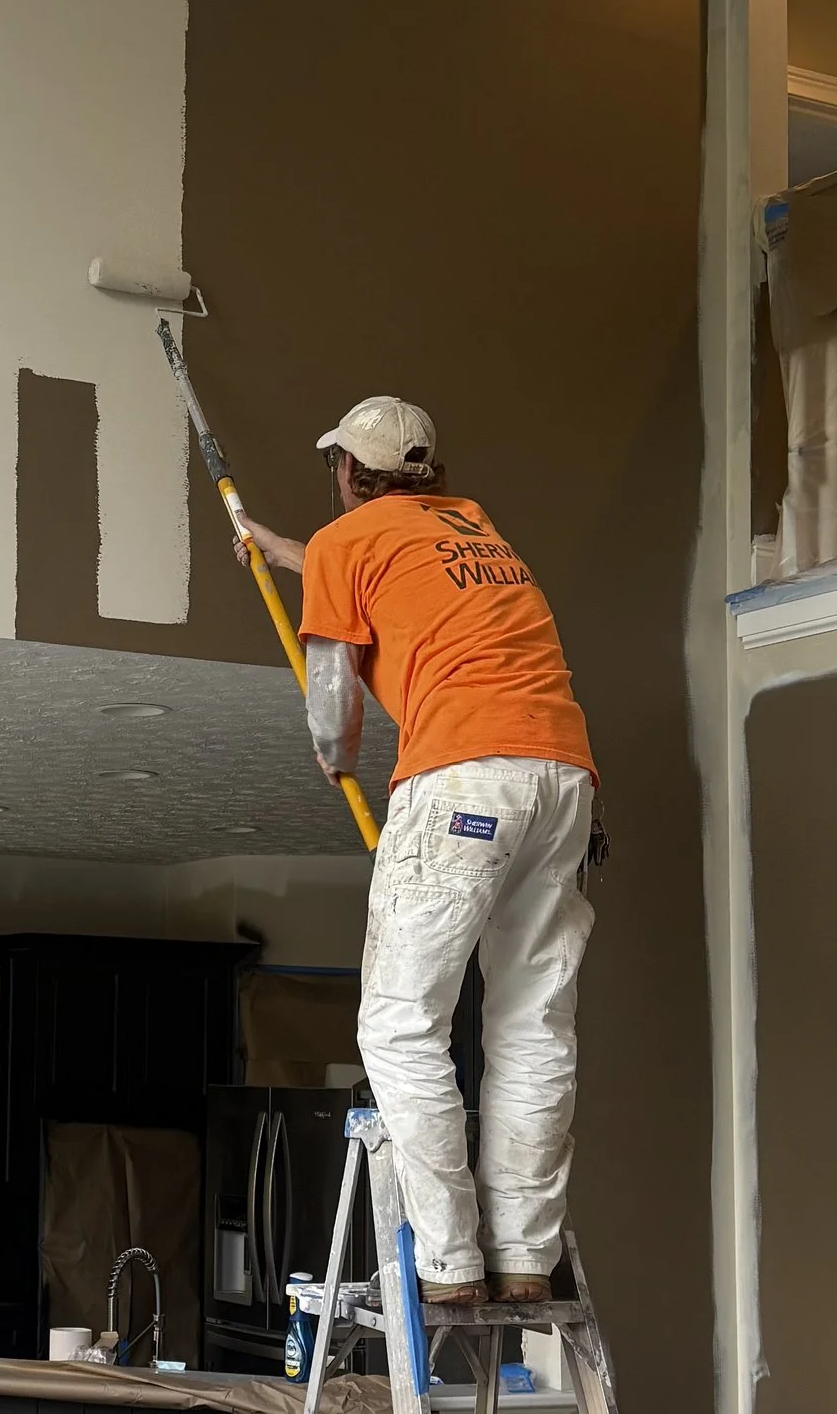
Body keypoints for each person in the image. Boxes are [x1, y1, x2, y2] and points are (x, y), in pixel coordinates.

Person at [238, 395, 597, 1308]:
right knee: (531, 1022)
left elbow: (333, 699)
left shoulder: (346, 542)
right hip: (561, 779)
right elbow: (383, 566)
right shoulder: (473, 527)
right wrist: (286, 552)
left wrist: (333, 753)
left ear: (351, 474)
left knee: (400, 1025)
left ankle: (448, 1262)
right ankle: (523, 1255)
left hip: (463, 779)